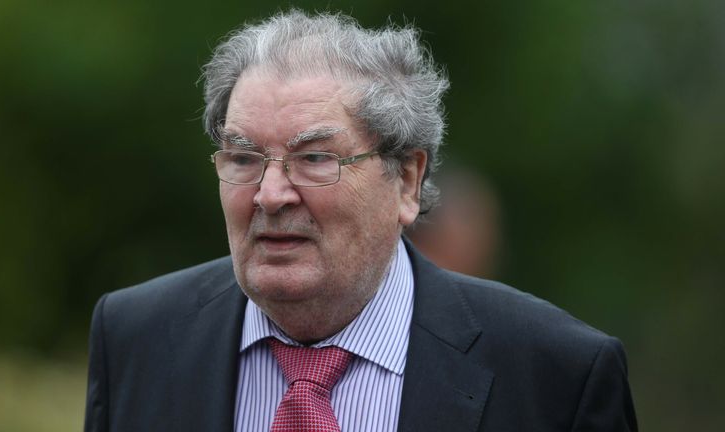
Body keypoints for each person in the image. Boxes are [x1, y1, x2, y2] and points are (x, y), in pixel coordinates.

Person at [84, 10, 637, 432]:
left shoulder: (557, 376)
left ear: (406, 182)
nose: (271, 194)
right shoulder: (135, 337)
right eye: (245, 158)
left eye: (316, 159)